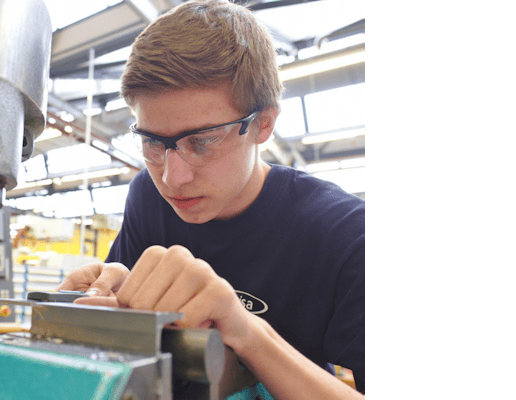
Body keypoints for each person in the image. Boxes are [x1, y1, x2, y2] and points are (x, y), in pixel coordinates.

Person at [55, 1, 365, 398]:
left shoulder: (346, 236)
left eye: (201, 142)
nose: (172, 177)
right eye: (152, 142)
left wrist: (249, 334)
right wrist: (94, 308)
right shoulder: (148, 197)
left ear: (262, 124)